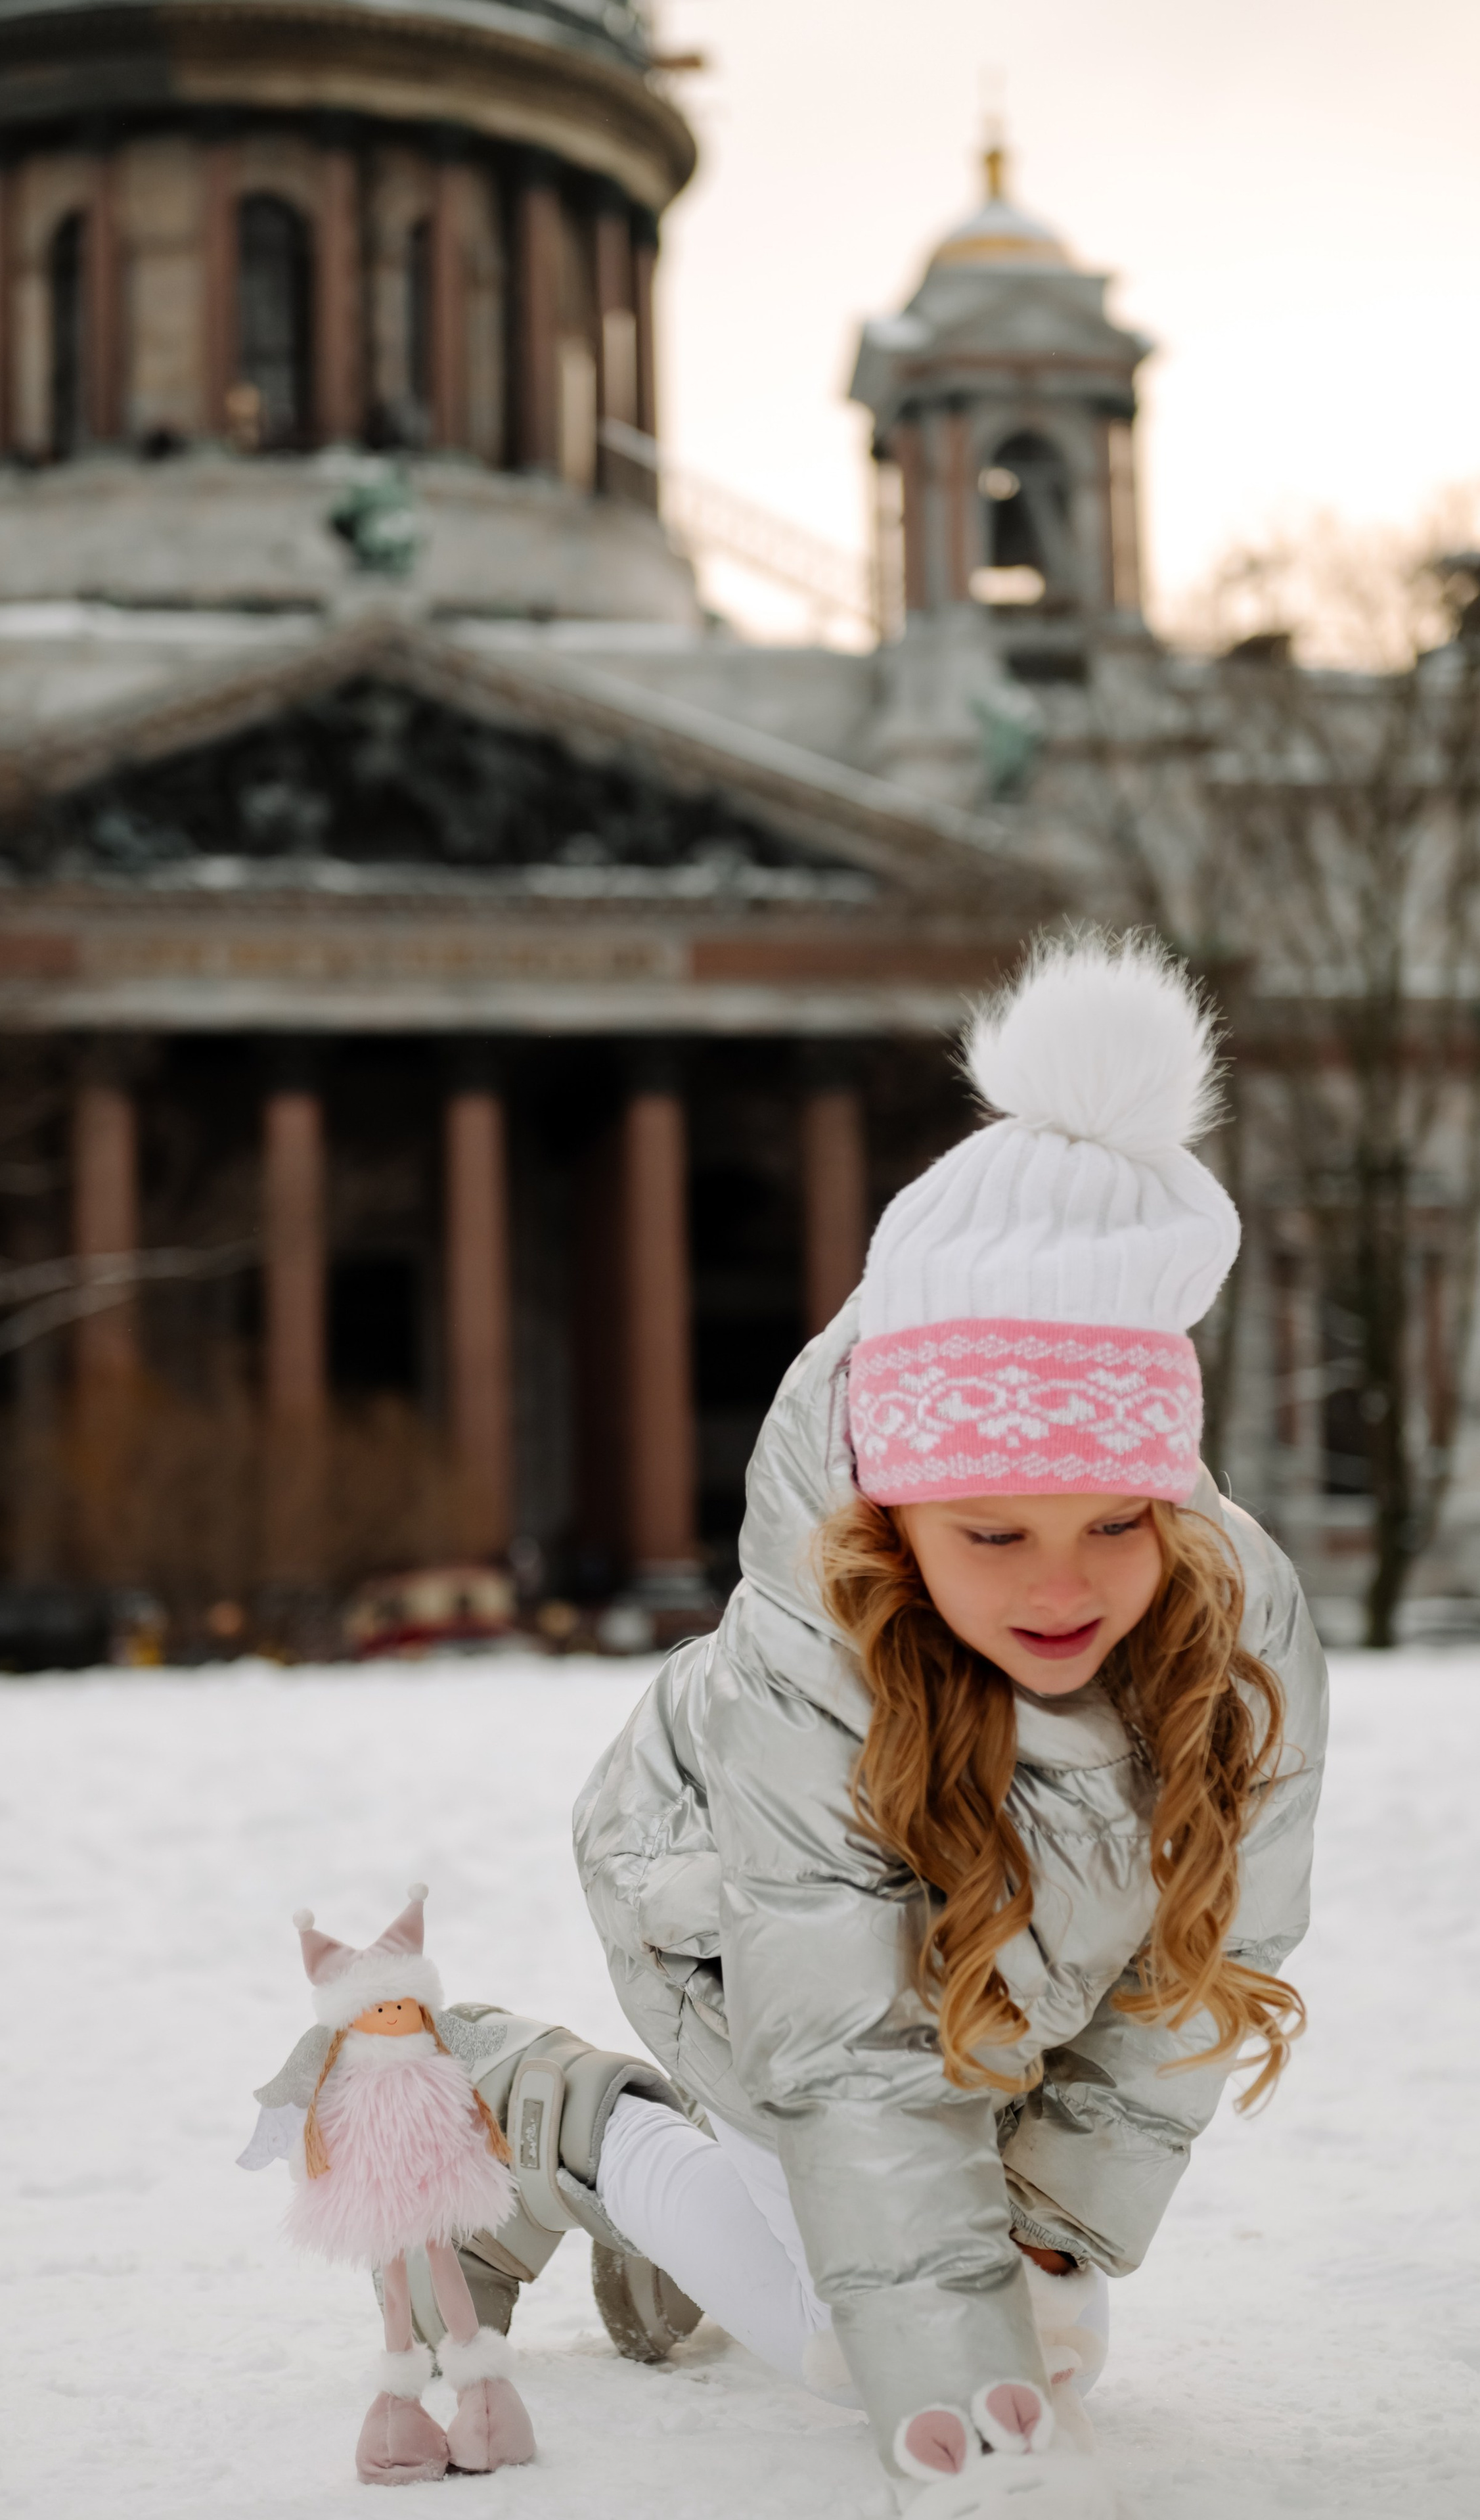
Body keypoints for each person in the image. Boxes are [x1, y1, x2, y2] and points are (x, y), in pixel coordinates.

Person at [392, 935, 1322, 2515]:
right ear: (895, 1519)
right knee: (848, 2338)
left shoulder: (1239, 1625)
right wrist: (958, 2411)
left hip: (1011, 1943)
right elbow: (852, 2057)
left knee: (1048, 2326)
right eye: (991, 1534)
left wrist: (1053, 2224)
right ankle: (536, 2112)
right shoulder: (809, 1660)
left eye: (1113, 1522)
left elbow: (1210, 1944)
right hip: (717, 1906)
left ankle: (763, 2226)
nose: (1062, 1586)